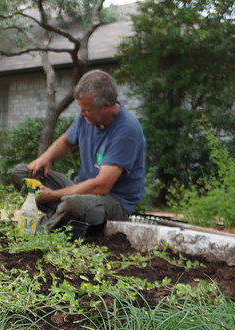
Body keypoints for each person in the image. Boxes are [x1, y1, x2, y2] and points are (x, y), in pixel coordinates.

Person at [11, 70, 145, 235]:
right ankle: (65, 217)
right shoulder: (86, 118)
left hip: (114, 202)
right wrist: (46, 157)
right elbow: (66, 142)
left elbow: (102, 186)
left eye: (87, 109)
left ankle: (41, 233)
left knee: (73, 204)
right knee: (22, 173)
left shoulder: (127, 130)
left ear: (106, 106)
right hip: (81, 189)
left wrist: (52, 195)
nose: (81, 114)